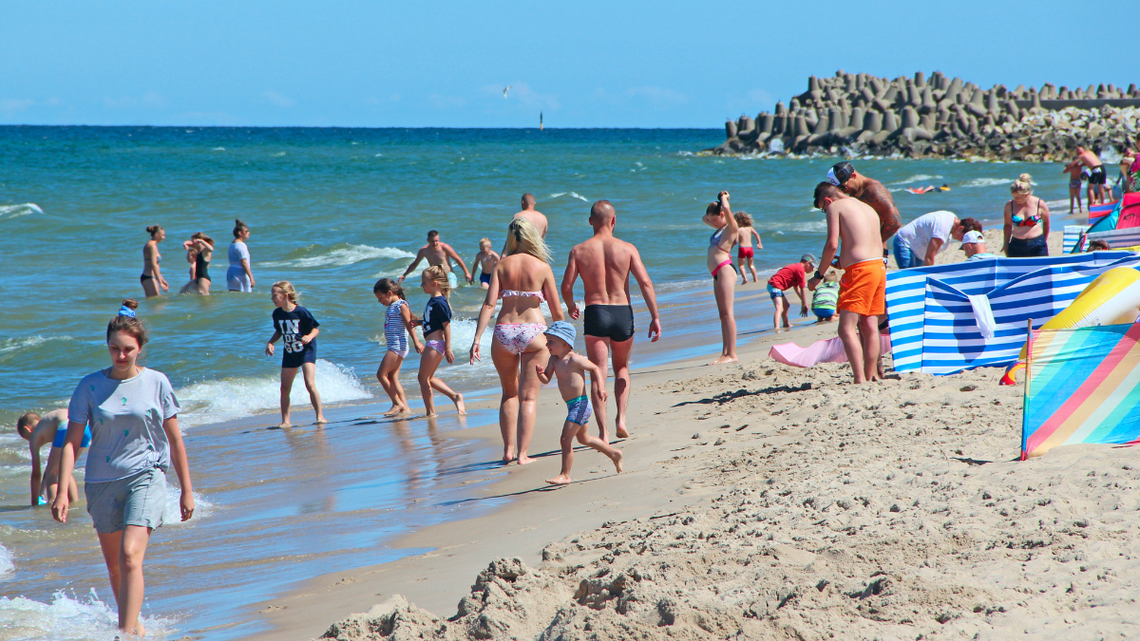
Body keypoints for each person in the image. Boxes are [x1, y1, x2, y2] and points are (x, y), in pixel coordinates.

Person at [51, 302, 194, 636]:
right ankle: (134, 627)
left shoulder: (157, 383)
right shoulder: (89, 387)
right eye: (115, 348)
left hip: (147, 475)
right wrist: (61, 490)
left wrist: (186, 488)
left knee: (130, 556)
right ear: (108, 347)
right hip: (101, 481)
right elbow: (71, 443)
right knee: (116, 567)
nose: (121, 355)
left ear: (140, 348)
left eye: (128, 349)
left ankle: (125, 635)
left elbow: (174, 439)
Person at [560, 199, 662, 441]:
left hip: (596, 313)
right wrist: (655, 316)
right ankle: (622, 419)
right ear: (614, 221)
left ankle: (604, 432)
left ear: (590, 222)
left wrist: (571, 305)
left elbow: (566, 286)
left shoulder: (579, 250)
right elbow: (645, 283)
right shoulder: (627, 248)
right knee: (622, 368)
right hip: (622, 313)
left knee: (598, 373)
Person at [470, 218, 564, 464]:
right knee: (528, 397)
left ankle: (508, 451)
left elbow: (489, 304)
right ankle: (523, 455)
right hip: (533, 332)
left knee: (508, 394)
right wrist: (564, 343)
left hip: (504, 331)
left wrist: (477, 338)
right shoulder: (542, 267)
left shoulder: (501, 266)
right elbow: (556, 311)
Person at [808, 183, 886, 384]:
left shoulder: (835, 207)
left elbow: (832, 245)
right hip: (878, 267)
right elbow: (871, 244)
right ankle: (872, 374)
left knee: (845, 329)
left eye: (823, 208)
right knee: (869, 326)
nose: (825, 211)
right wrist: (844, 260)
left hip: (860, 271)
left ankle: (859, 379)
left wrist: (819, 274)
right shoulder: (866, 207)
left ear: (827, 200)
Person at [536, 321, 623, 485]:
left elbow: (595, 369)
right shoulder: (553, 360)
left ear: (564, 342)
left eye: (551, 342)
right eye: (547, 341)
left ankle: (565, 474)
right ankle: (614, 454)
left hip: (581, 405)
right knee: (584, 439)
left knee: (565, 439)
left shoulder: (575, 359)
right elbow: (546, 379)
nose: (547, 345)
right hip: (571, 405)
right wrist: (540, 374)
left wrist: (601, 388)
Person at [266, 281, 325, 427]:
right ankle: (286, 421)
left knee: (309, 383)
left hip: (306, 350)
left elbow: (315, 328)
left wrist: (309, 337)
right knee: (284, 388)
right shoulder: (277, 314)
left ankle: (320, 416)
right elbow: (279, 331)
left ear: (285, 295)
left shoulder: (301, 312)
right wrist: (270, 342)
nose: (271, 298)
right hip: (290, 352)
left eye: (274, 295)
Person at [417, 266, 466, 417]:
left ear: (435, 283)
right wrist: (418, 322)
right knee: (428, 378)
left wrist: (449, 348)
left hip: (435, 344)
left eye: (424, 282)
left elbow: (447, 326)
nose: (421, 285)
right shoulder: (433, 301)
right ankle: (455, 396)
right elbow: (433, 322)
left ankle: (430, 412)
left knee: (423, 378)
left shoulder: (439, 302)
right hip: (434, 343)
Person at [827, 161, 903, 257]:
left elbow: (895, 223)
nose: (843, 191)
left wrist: (873, 244)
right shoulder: (855, 192)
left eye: (843, 186)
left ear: (853, 176)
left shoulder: (873, 189)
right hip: (864, 252)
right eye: (839, 188)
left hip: (876, 252)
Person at [17, 408, 91, 507]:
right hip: (84, 427)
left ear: (28, 429)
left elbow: (36, 474)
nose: (30, 441)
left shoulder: (35, 435)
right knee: (65, 469)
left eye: (28, 438)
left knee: (53, 473)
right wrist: (41, 493)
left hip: (66, 427)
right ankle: (75, 503)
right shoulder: (48, 424)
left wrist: (34, 503)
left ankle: (54, 503)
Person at [374, 278, 421, 417]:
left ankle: (396, 403)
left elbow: (409, 325)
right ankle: (405, 408)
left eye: (380, 297)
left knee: (381, 375)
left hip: (397, 346)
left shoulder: (401, 305)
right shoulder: (393, 306)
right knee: (392, 377)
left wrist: (417, 342)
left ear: (389, 293)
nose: (379, 301)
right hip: (396, 346)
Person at [703, 191, 740, 365]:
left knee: (728, 313)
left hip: (725, 269)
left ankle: (732, 353)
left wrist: (723, 198)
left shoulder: (732, 227)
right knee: (722, 315)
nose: (710, 222)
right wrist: (714, 206)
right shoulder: (719, 228)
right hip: (717, 272)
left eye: (714, 219)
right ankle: (725, 352)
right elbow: (704, 218)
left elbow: (725, 208)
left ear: (723, 215)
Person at [399, 230, 473, 291]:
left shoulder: (445, 247)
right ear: (428, 240)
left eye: (436, 241)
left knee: (451, 290)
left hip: (448, 275)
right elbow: (415, 264)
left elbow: (457, 259)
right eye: (432, 241)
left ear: (439, 239)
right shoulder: (424, 251)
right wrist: (404, 275)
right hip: (436, 277)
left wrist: (467, 273)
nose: (435, 243)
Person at [894, 211, 971, 268]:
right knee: (910, 278)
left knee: (918, 280)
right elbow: (929, 256)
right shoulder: (944, 227)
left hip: (919, 252)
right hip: (906, 242)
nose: (960, 241)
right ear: (961, 228)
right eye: (962, 238)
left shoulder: (951, 221)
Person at [1002, 174, 1051, 258]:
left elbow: (1046, 223)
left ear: (1026, 195)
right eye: (1013, 197)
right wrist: (1006, 243)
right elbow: (1007, 225)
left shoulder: (1039, 204)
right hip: (1016, 245)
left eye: (1017, 197)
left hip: (1037, 244)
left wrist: (1044, 240)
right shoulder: (1010, 205)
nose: (1015, 200)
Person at [766, 255, 815, 330]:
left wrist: (802, 301)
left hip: (776, 286)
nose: (813, 269)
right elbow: (802, 288)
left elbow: (796, 287)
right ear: (808, 263)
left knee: (786, 305)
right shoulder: (800, 269)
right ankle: (776, 327)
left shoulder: (798, 268)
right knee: (779, 307)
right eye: (812, 266)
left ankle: (786, 324)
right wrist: (804, 304)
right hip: (775, 285)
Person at [733, 211, 764, 284]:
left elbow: (736, 240)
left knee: (741, 265)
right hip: (750, 248)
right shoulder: (749, 228)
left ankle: (745, 278)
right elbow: (756, 234)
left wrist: (731, 246)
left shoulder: (738, 230)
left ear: (739, 221)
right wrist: (759, 243)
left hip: (742, 248)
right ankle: (755, 279)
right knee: (751, 265)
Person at [227, 219, 256, 292]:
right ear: (240, 233)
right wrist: (251, 277)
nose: (248, 233)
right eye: (246, 231)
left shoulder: (232, 244)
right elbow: (244, 262)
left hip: (231, 272)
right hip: (240, 273)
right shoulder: (241, 245)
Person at [140, 225, 169, 297]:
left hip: (151, 277)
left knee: (155, 303)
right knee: (155, 304)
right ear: (157, 235)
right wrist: (160, 282)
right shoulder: (152, 246)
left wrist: (162, 279)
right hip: (149, 277)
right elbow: (154, 265)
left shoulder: (153, 245)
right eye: (163, 235)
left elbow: (155, 265)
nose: (164, 237)